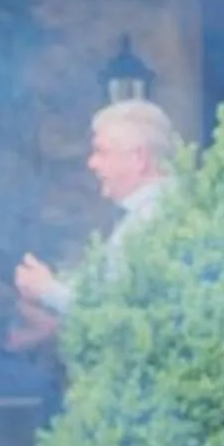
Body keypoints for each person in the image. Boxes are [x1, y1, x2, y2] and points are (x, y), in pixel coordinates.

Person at [9, 95, 178, 348]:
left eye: (101, 152)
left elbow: (118, 316)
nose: (91, 163)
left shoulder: (152, 219)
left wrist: (47, 290)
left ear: (139, 159)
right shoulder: (152, 211)